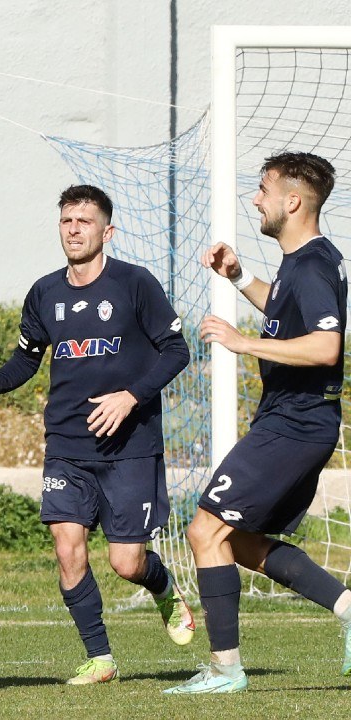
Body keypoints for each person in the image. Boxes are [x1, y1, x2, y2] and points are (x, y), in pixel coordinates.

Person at [0, 185, 194, 685]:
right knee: (67, 549)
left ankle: (163, 588)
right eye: (67, 220)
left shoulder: (135, 284)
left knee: (126, 563)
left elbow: (177, 351)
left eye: (84, 221)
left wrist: (130, 397)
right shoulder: (45, 293)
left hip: (129, 446)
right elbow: (26, 359)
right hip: (66, 445)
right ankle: (101, 658)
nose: (73, 229)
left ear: (107, 232)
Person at [166, 152, 351, 694]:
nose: (255, 200)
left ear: (292, 201)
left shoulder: (312, 265)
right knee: (239, 540)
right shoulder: (304, 261)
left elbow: (325, 346)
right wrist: (239, 276)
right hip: (292, 420)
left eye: (263, 189)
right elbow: (286, 309)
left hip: (295, 423)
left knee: (205, 529)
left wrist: (243, 342)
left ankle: (225, 669)